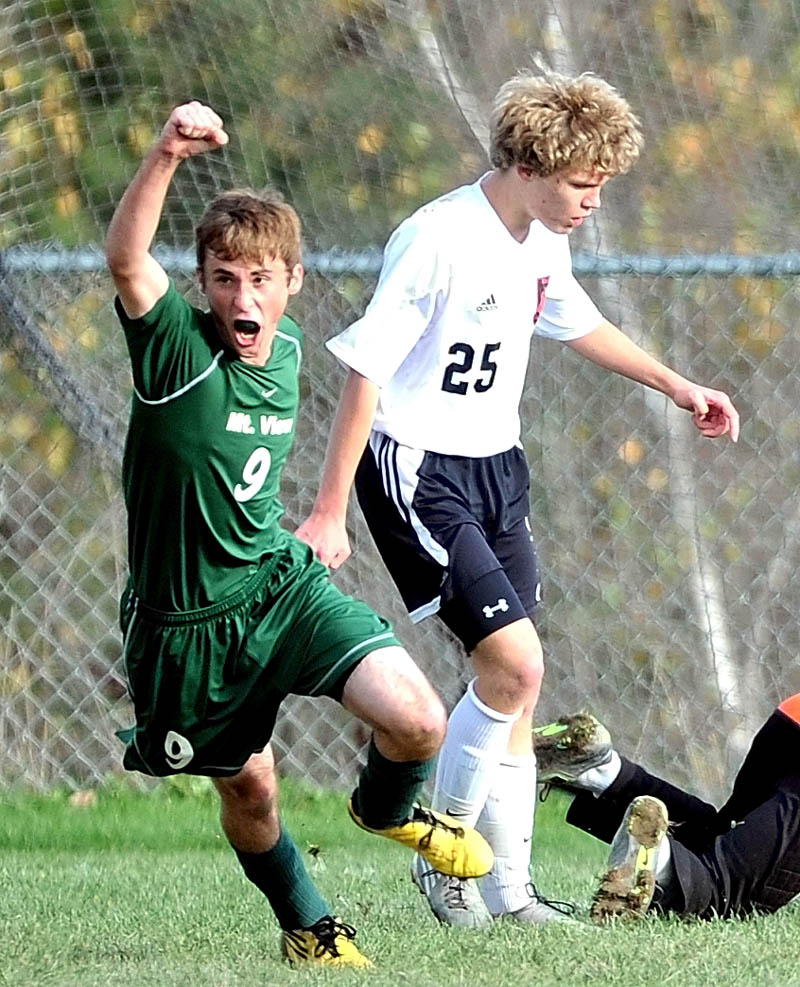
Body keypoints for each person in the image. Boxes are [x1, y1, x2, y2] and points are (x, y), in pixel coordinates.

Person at [295, 70, 740, 928]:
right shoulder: (436, 239)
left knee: (519, 691)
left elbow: (574, 320)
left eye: (602, 185)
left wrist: (676, 385)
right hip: (421, 468)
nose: (593, 202)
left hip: (499, 468)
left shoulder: (542, 238)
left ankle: (511, 895)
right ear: (529, 164)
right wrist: (328, 508)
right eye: (582, 184)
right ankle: (446, 859)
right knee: (515, 664)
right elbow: (365, 373)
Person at [105, 100, 494, 969]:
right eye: (223, 278)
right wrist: (168, 153)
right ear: (203, 283)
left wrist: (328, 514)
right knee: (250, 784)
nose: (242, 298)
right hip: (184, 627)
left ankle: (390, 809)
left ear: (294, 281)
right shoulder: (176, 348)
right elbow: (128, 258)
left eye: (259, 279)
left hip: (279, 586)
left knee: (419, 721)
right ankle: (309, 925)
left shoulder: (283, 353)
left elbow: (361, 395)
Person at [534, 701, 800, 921]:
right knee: (730, 893)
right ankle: (659, 861)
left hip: (791, 719)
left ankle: (599, 771)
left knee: (720, 843)